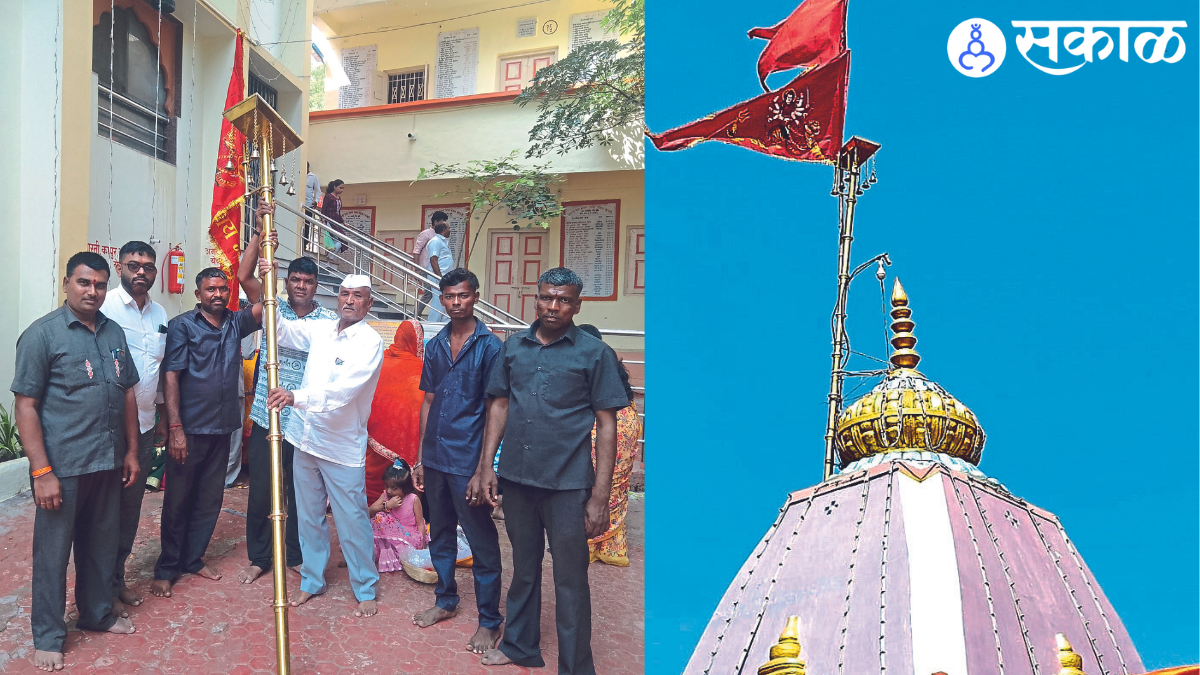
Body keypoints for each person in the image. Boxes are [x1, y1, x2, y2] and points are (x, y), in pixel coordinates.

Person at [469, 267, 628, 674]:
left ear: (577, 305)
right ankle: (521, 647)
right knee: (524, 568)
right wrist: (486, 466)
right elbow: (499, 405)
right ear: (535, 299)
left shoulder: (594, 354)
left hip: (569, 485)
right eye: (546, 298)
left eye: (563, 300)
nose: (553, 306)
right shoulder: (514, 347)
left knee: (570, 580)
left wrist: (600, 496)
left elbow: (606, 423)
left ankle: (576, 667)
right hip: (519, 479)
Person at [11, 251, 140, 671]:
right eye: (84, 283)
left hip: (107, 461)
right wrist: (41, 471)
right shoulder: (42, 335)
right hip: (62, 467)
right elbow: (26, 406)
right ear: (66, 283)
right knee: (53, 554)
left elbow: (126, 394)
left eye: (100, 284)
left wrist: (132, 452)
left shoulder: (114, 331)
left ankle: (97, 614)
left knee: (100, 546)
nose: (93, 291)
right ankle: (48, 636)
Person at [263, 270, 385, 618]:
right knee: (309, 516)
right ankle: (312, 580)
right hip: (305, 439)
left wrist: (294, 396)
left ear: (369, 302)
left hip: (341, 447)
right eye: (345, 293)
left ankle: (365, 587)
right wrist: (268, 290)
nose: (349, 300)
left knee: (352, 519)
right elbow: (282, 331)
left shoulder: (370, 343)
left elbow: (342, 394)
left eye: (358, 295)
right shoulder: (321, 329)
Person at [236, 207, 338, 585]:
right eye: (294, 279)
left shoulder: (328, 321)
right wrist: (260, 236)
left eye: (307, 281)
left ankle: (294, 555)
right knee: (261, 489)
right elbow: (244, 275)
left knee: (302, 493)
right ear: (288, 282)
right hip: (268, 415)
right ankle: (259, 557)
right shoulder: (271, 306)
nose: (300, 286)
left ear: (315, 286)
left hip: (305, 419)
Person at [151, 268, 263, 598]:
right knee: (177, 500)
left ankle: (193, 558)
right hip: (190, 428)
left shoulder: (235, 323)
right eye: (210, 289)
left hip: (224, 426)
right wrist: (175, 428)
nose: (217, 294)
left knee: (210, 499)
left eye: (223, 289)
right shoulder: (182, 325)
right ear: (198, 294)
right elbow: (170, 377)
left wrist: (259, 236)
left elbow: (263, 302)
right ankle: (167, 566)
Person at [410, 267, 505, 654]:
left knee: (482, 540)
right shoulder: (434, 346)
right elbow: (428, 402)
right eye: (448, 297)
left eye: (462, 296)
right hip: (435, 457)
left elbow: (496, 407)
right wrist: (419, 457)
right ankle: (446, 600)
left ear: (475, 297)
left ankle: (490, 621)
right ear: (442, 299)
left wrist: (486, 468)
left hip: (468, 461)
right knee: (440, 533)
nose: (455, 303)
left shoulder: (490, 346)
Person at [100, 241, 169, 617]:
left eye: (147, 267)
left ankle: (116, 579)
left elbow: (156, 372)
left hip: (142, 427)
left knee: (130, 508)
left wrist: (158, 417)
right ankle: (98, 587)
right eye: (133, 265)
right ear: (120, 266)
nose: (141, 272)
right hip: (108, 430)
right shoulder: (106, 307)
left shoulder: (159, 312)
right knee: (104, 511)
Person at [576, 325, 640, 567]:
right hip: (625, 422)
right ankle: (613, 548)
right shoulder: (609, 357)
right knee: (615, 483)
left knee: (593, 480)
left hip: (604, 425)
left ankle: (588, 543)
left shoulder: (585, 359)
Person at [365, 320, 424, 506]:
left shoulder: (378, 360)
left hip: (373, 434)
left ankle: (368, 514)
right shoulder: (420, 369)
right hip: (405, 439)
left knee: (372, 476)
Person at [369, 458, 428, 574]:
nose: (389, 491)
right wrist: (387, 505)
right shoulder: (386, 495)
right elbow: (370, 511)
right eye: (386, 486)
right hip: (387, 536)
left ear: (404, 488)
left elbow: (420, 523)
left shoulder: (412, 499)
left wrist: (422, 546)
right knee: (380, 517)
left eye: (394, 488)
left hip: (407, 536)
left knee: (385, 519)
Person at [411, 211, 448, 319]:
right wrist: (417, 269)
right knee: (429, 293)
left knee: (437, 293)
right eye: (442, 221)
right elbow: (416, 251)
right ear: (435, 222)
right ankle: (415, 315)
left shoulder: (440, 236)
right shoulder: (426, 234)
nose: (445, 224)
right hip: (426, 269)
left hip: (435, 270)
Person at [424, 222, 453, 322]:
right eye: (449, 228)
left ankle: (444, 324)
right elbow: (433, 260)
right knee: (438, 302)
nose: (450, 230)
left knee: (445, 301)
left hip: (445, 277)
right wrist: (440, 278)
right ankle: (432, 324)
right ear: (444, 230)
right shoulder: (435, 241)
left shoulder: (442, 242)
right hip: (438, 277)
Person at [321, 179, 347, 253]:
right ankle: (330, 257)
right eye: (340, 188)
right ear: (334, 187)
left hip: (336, 221)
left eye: (343, 188)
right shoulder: (329, 196)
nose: (342, 190)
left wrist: (343, 222)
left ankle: (330, 257)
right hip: (329, 220)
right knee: (341, 239)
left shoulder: (339, 198)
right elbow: (324, 208)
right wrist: (323, 220)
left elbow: (338, 211)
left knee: (340, 240)